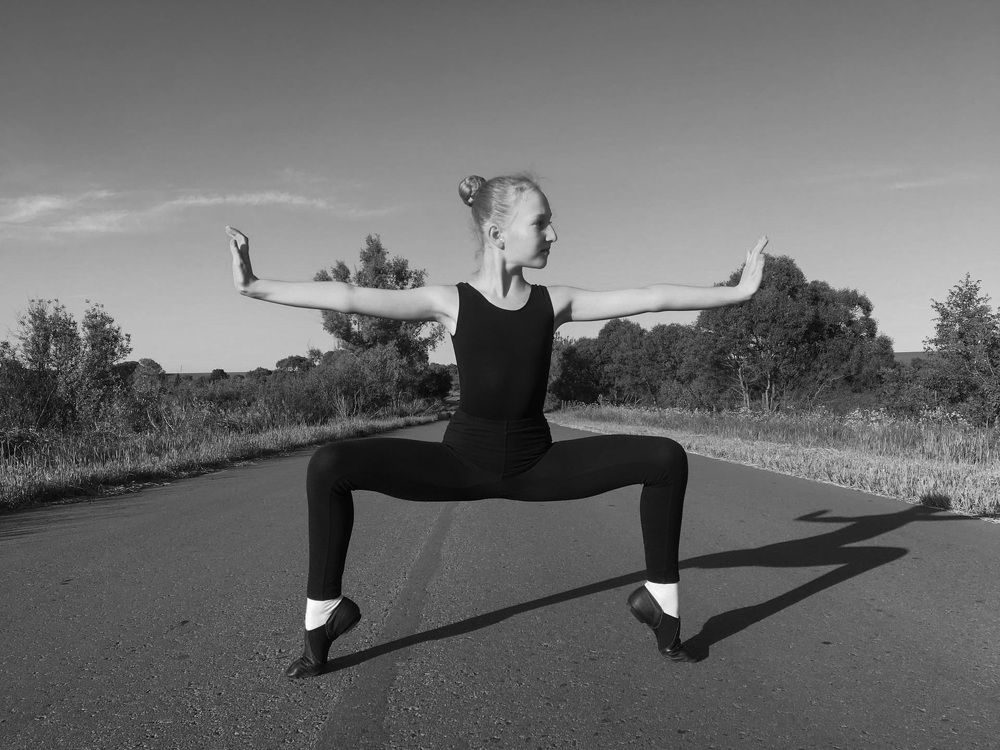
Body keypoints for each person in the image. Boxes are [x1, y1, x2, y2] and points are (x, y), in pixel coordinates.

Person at [225, 174, 766, 678]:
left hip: (538, 464)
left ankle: (661, 606)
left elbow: (651, 298)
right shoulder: (450, 301)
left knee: (666, 459)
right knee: (329, 465)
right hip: (460, 463)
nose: (554, 234)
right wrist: (255, 285)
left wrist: (736, 293)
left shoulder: (556, 301)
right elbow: (349, 295)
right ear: (497, 234)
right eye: (541, 223)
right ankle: (323, 616)